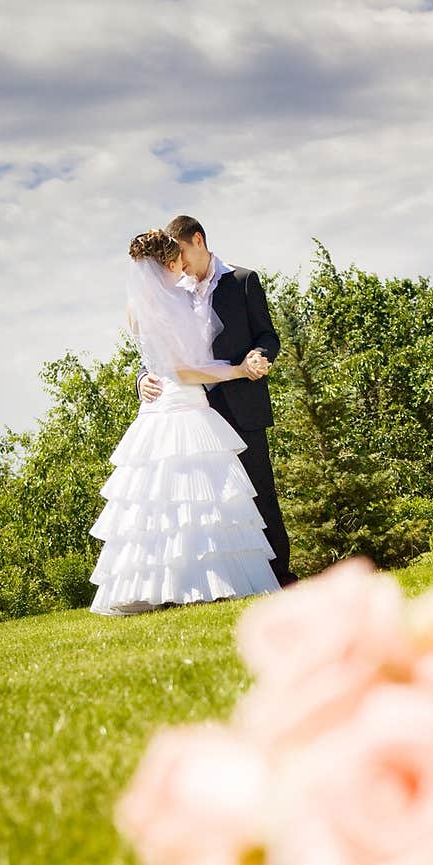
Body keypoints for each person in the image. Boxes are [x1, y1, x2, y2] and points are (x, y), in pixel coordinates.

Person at [89, 229, 280, 617]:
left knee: (167, 501)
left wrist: (250, 362)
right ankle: (202, 583)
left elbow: (258, 335)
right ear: (170, 262)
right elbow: (178, 367)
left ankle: (172, 584)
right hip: (186, 403)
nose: (182, 264)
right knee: (200, 497)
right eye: (175, 258)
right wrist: (238, 371)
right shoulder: (169, 301)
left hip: (193, 408)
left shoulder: (145, 302)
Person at [138, 214, 297, 588]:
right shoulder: (172, 291)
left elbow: (267, 335)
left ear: (198, 240)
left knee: (259, 494)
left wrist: (259, 356)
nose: (175, 265)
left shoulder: (243, 281)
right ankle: (226, 581)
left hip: (242, 404)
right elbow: (158, 350)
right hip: (194, 410)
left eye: (178, 253)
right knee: (207, 504)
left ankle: (280, 578)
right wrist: (142, 377)